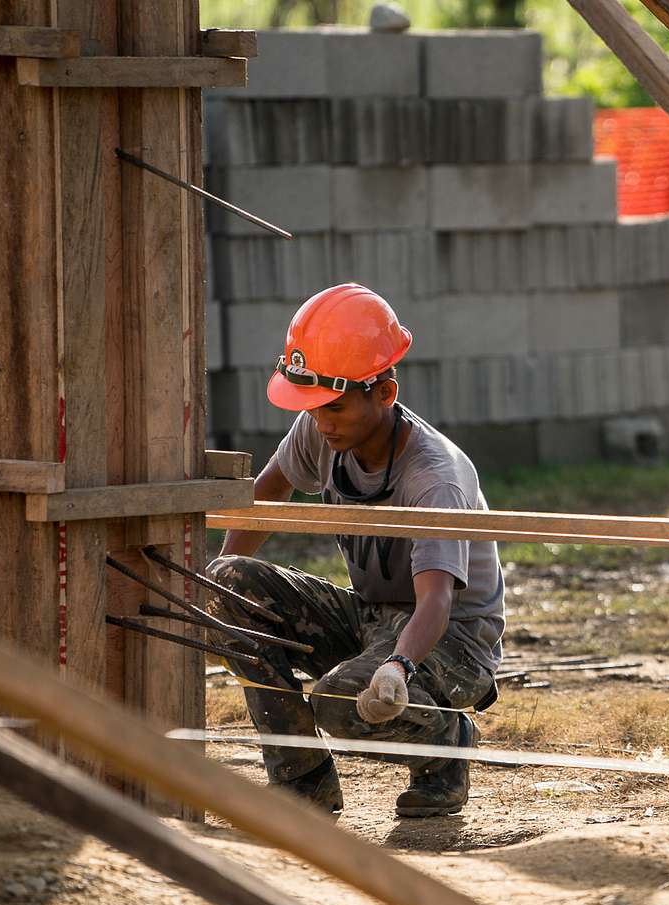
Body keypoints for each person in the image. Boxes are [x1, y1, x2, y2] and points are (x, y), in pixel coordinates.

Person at [206, 283, 504, 818]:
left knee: (339, 702)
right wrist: (212, 598)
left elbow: (436, 602)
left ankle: (447, 740)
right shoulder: (322, 430)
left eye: (336, 408)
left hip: (451, 640)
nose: (322, 421)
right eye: (313, 407)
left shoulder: (434, 477)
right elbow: (266, 497)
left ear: (384, 393)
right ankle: (303, 783)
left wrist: (396, 668)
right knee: (228, 582)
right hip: (372, 618)